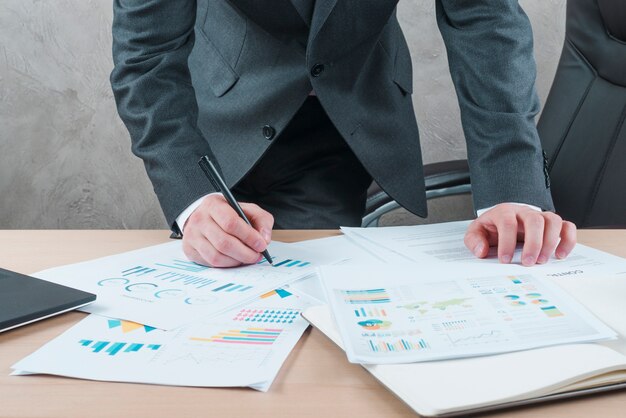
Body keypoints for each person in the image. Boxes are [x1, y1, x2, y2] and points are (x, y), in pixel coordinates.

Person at [111, 0, 576, 268]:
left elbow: (484, 16)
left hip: (342, 112)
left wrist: (510, 188)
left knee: (306, 307)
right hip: (214, 106)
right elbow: (146, 56)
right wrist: (192, 199)